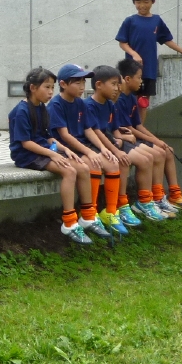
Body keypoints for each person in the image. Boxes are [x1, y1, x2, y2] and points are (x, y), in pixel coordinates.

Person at [7, 66, 94, 245]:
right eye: (47, 87)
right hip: (27, 155)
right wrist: (53, 155)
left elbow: (48, 137)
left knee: (83, 168)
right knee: (69, 171)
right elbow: (26, 143)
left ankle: (88, 216)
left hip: (42, 150)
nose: (50, 91)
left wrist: (64, 149)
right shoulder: (22, 111)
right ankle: (69, 222)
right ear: (33, 88)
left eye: (52, 87)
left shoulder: (42, 108)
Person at [85, 65, 167, 230]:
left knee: (150, 157)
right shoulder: (88, 105)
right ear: (99, 84)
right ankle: (104, 210)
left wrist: (119, 138)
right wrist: (116, 147)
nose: (117, 88)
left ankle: (139, 202)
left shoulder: (110, 104)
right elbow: (96, 131)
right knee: (128, 161)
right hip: (94, 146)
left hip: (111, 144)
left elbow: (113, 129)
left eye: (118, 84)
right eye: (114, 84)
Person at [116, 58, 182, 211]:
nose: (141, 81)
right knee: (157, 154)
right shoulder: (118, 99)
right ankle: (153, 199)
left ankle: (174, 195)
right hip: (126, 139)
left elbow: (138, 125)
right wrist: (153, 141)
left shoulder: (131, 97)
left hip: (133, 136)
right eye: (139, 77)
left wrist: (156, 140)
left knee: (168, 150)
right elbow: (128, 128)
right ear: (127, 79)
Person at [115, 0, 182, 120]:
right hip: (131, 70)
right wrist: (134, 54)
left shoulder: (157, 21)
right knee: (127, 100)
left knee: (143, 102)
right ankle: (126, 127)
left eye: (146, 2)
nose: (142, 5)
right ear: (134, 2)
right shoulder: (130, 21)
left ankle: (139, 128)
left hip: (148, 69)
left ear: (153, 1)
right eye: (138, 2)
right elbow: (122, 43)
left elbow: (166, 39)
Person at [48, 64, 111, 240]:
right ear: (63, 84)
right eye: (77, 82)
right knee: (90, 164)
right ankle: (85, 214)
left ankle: (92, 215)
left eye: (84, 81)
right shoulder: (56, 105)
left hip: (78, 147)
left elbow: (88, 129)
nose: (82, 86)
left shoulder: (80, 103)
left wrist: (102, 148)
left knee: (110, 162)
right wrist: (89, 152)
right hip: (63, 149)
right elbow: (64, 135)